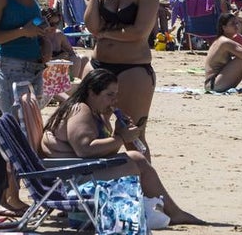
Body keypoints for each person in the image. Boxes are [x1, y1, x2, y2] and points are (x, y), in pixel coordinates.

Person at [40, 68, 204, 227]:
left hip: (74, 171)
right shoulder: (80, 110)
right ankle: (172, 212)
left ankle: (168, 210)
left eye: (116, 95)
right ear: (91, 92)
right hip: (66, 177)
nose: (115, 100)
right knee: (136, 159)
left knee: (136, 159)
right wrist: (121, 138)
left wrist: (118, 132)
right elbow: (85, 150)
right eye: (109, 95)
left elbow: (100, 153)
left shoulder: (95, 112)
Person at [83, 0, 161, 153]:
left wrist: (106, 34)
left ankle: (145, 177)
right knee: (91, 131)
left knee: (132, 135)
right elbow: (92, 25)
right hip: (99, 64)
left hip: (132, 68)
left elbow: (139, 32)